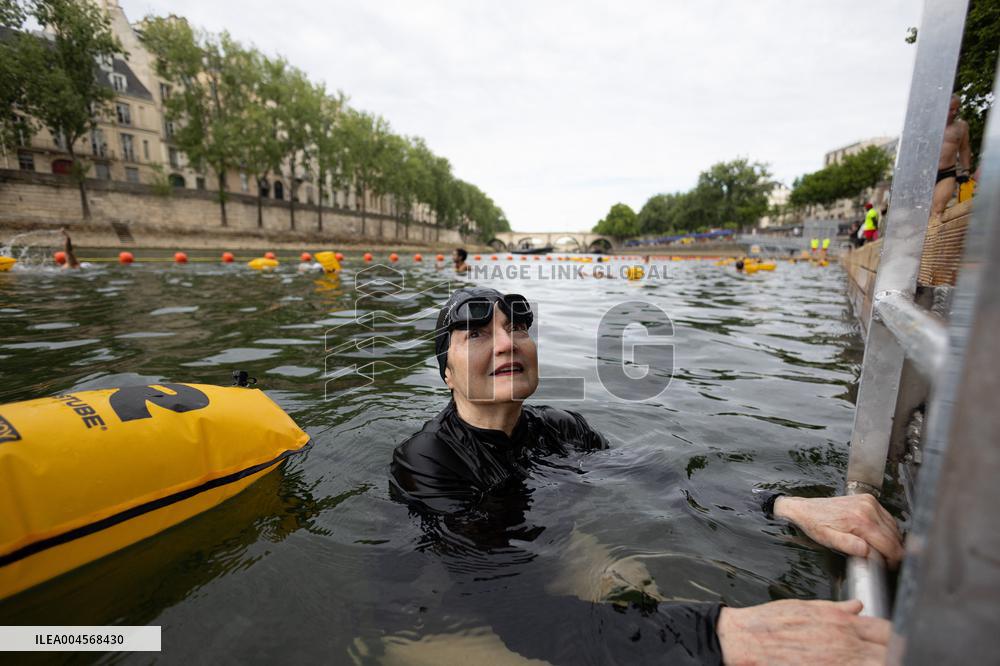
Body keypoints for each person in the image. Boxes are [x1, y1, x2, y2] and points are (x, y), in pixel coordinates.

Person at [390, 287, 902, 665]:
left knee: (642, 590)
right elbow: (518, 614)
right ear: (447, 373)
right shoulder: (428, 460)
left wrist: (783, 505)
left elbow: (657, 478)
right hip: (439, 613)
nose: (506, 344)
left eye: (516, 327)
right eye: (477, 334)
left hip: (547, 564)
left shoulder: (559, 429)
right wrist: (723, 633)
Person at [931, 94, 973, 219]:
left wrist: (966, 170)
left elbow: (964, 148)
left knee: (938, 209)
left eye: (957, 109)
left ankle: (936, 237)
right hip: (925, 174)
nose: (955, 112)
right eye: (951, 109)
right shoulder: (930, 125)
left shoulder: (962, 127)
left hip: (947, 172)